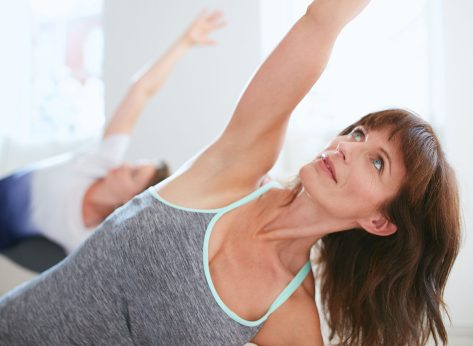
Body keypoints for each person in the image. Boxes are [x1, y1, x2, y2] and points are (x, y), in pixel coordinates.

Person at [0, 1, 461, 345]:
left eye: (377, 161)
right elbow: (322, 20)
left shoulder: (290, 314)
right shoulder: (238, 168)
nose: (347, 146)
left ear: (379, 221)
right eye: (359, 133)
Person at [0, 10, 225, 254]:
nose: (126, 166)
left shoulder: (90, 240)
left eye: (134, 174)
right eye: (135, 165)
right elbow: (141, 91)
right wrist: (185, 42)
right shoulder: (103, 161)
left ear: (131, 200)